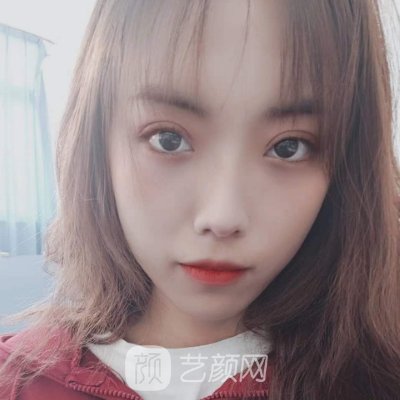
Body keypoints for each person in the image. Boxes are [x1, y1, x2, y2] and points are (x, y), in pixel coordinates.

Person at [1, 0, 400, 399]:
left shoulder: (376, 377)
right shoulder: (19, 383)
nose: (222, 217)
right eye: (168, 139)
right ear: (99, 140)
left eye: (289, 147)